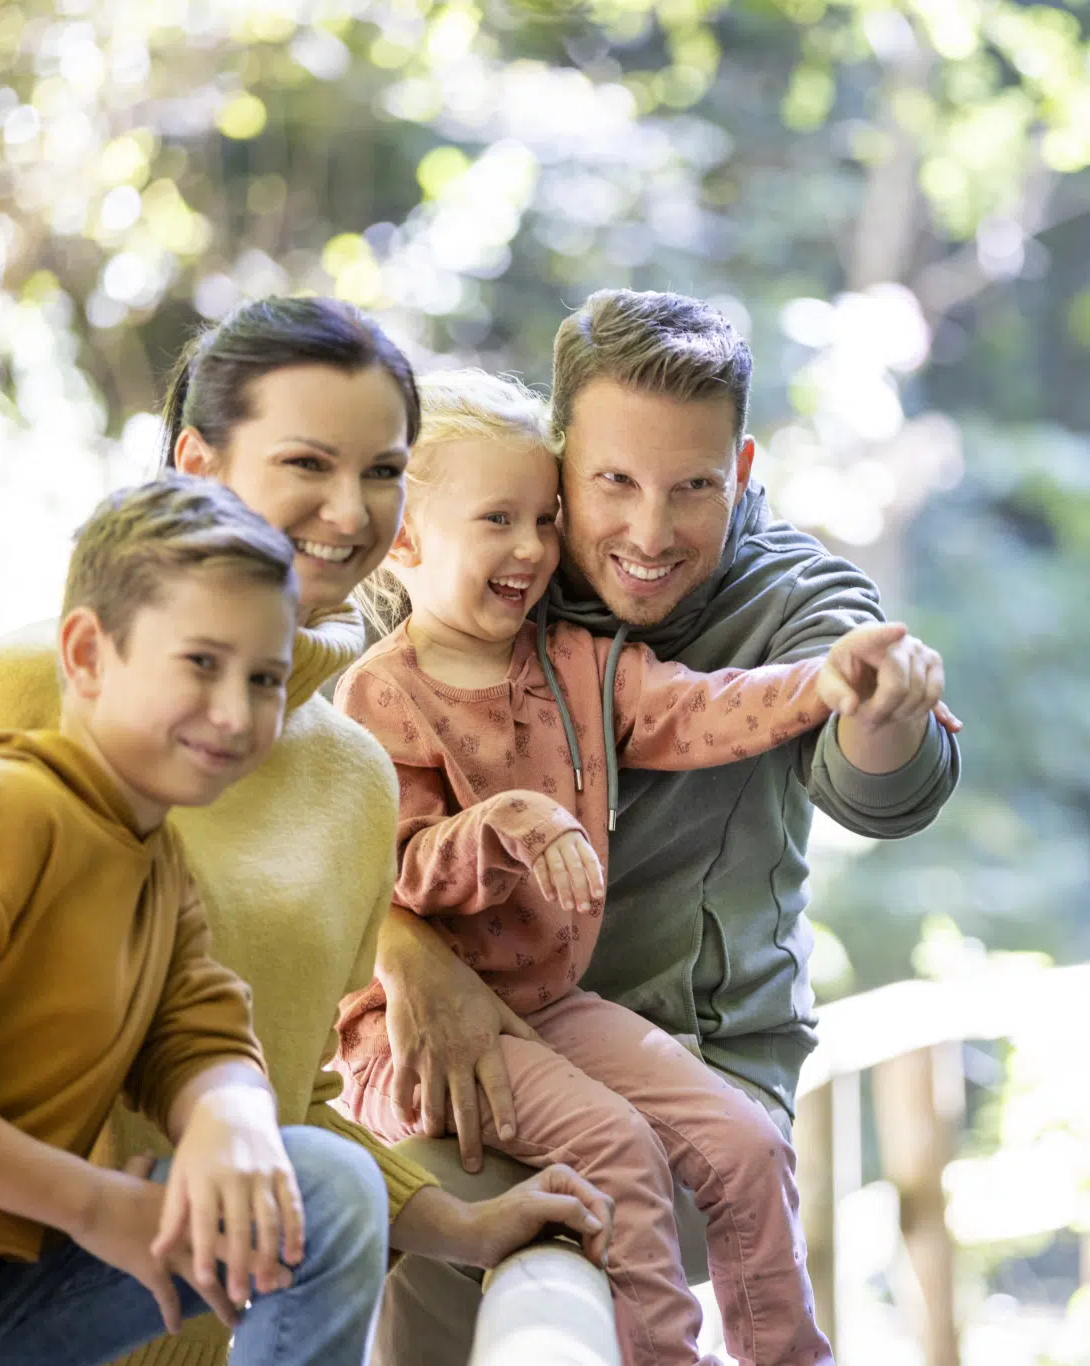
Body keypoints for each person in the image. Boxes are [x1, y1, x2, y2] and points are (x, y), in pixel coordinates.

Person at [0, 297, 612, 1366]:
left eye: (383, 470)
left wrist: (451, 1223)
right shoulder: (29, 704)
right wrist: (98, 1204)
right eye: (307, 462)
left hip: (179, 1331)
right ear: (197, 461)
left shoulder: (350, 778)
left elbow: (277, 1089)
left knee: (326, 1186)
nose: (348, 509)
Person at [371, 291, 962, 1359]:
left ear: (737, 474)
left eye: (692, 488)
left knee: (627, 1182)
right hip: (470, 1050)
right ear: (558, 465)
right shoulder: (459, 572)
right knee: (444, 1235)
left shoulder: (788, 596)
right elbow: (293, 805)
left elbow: (868, 776)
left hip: (693, 1058)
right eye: (610, 485)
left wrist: (871, 701)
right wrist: (400, 948)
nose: (649, 531)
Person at [0, 476, 388, 1366]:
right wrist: (94, 1207)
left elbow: (194, 1025)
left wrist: (235, 1115)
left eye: (264, 679)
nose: (235, 713)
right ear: (86, 655)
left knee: (324, 1191)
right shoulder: (5, 810)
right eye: (200, 664)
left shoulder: (152, 859)